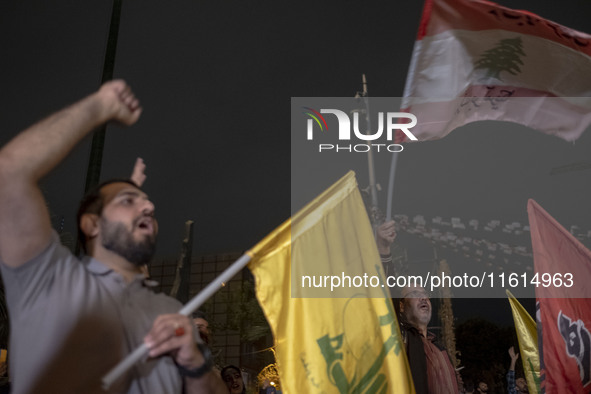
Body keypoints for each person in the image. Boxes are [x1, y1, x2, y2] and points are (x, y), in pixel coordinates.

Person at [0, 80, 225, 393]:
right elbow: (9, 175)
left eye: (147, 202)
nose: (149, 206)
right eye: (128, 200)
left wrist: (195, 364)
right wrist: (99, 106)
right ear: (91, 225)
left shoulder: (172, 312)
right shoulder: (51, 279)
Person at [377, 221, 458, 394]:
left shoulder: (440, 348)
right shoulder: (401, 339)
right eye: (413, 294)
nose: (422, 297)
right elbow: (387, 292)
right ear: (401, 306)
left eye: (424, 293)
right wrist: (384, 249)